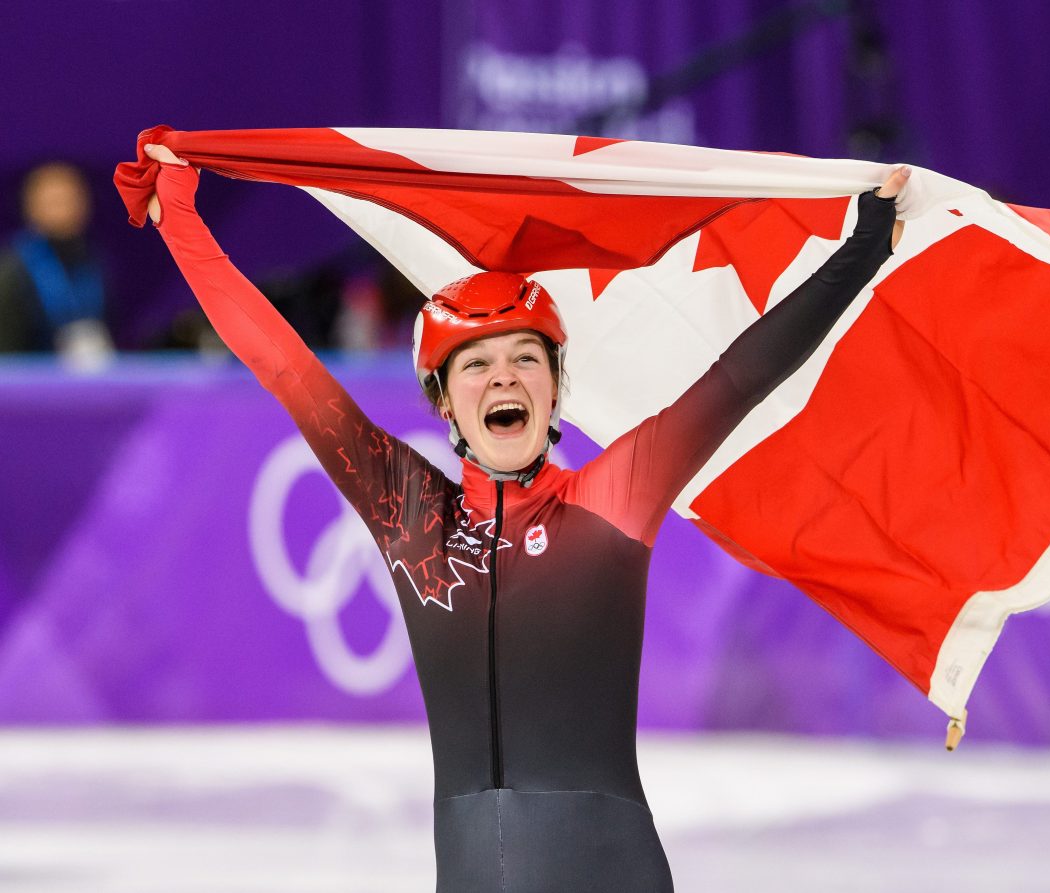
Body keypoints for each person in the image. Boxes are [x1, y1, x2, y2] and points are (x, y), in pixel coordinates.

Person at [137, 140, 907, 892]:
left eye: (525, 358)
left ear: (553, 388)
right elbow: (284, 365)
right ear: (444, 400)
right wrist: (180, 220)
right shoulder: (410, 515)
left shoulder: (614, 496)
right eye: (476, 362)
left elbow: (743, 374)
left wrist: (863, 247)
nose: (503, 375)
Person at [0, 161, 114, 361]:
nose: (64, 210)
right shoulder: (13, 270)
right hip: (29, 381)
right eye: (54, 201)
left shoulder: (94, 260)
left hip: (88, 378)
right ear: (31, 207)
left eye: (71, 200)